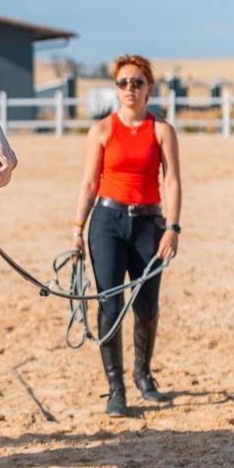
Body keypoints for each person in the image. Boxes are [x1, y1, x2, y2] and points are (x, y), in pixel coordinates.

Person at [71, 55, 182, 416]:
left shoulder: (162, 130)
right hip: (106, 222)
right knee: (109, 305)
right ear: (115, 88)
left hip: (149, 224)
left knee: (147, 305)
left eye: (137, 82)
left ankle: (144, 376)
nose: (130, 89)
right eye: (123, 83)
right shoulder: (101, 130)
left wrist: (173, 227)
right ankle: (115, 387)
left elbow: (173, 181)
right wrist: (77, 229)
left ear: (149, 87)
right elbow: (89, 183)